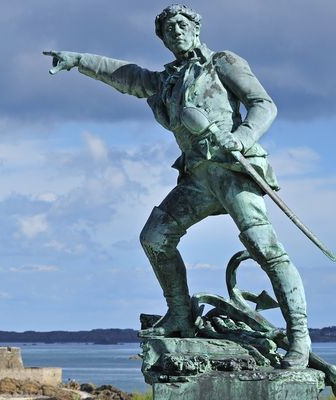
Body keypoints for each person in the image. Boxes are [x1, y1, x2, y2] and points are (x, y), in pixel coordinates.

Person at [43, 4, 310, 369]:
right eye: (169, 30)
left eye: (182, 25)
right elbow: (127, 75)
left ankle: (300, 336)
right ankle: (181, 314)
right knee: (154, 237)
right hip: (197, 178)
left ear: (196, 28)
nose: (176, 33)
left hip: (232, 169)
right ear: (163, 38)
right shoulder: (166, 80)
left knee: (265, 248)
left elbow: (263, 104)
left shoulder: (222, 62)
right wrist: (78, 60)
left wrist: (243, 137)